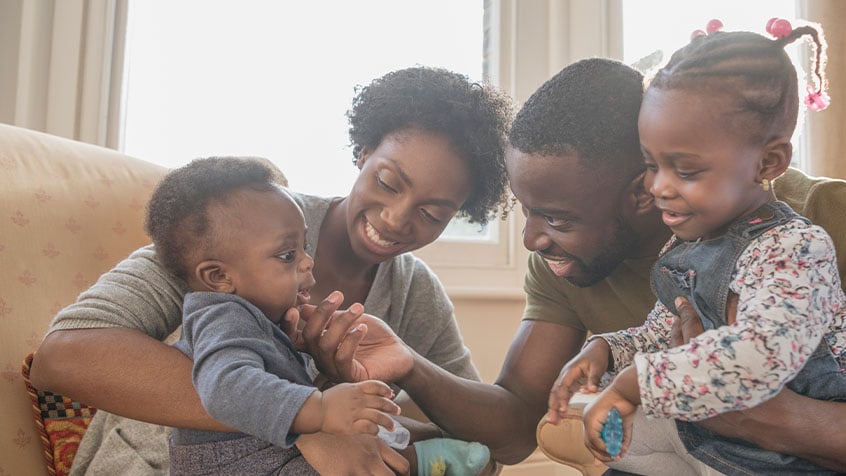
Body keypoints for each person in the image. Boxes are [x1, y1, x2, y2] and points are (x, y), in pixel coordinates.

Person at [301, 57, 846, 472]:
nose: (533, 238)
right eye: (526, 210)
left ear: (641, 192)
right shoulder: (566, 261)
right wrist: (410, 366)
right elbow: (516, 426)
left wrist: (774, 420)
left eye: (557, 218)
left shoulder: (817, 224)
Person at [29, 66, 512, 475]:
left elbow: (491, 440)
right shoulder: (242, 224)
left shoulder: (413, 291)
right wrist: (306, 423)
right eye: (388, 182)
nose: (395, 218)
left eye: (432, 214)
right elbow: (65, 356)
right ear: (364, 153)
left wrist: (409, 364)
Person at [547, 21, 846, 475]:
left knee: (635, 404)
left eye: (685, 171)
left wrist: (633, 386)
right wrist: (607, 351)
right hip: (711, 429)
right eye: (652, 165)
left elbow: (757, 357)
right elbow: (659, 332)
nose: (659, 188)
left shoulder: (797, 248)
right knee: (618, 435)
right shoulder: (693, 244)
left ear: (768, 162)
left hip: (788, 458)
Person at [145, 156, 406, 474]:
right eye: (287, 255)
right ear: (218, 277)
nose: (308, 261)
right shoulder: (223, 317)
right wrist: (321, 408)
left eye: (304, 246)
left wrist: (322, 369)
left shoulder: (260, 318)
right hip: (233, 462)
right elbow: (225, 387)